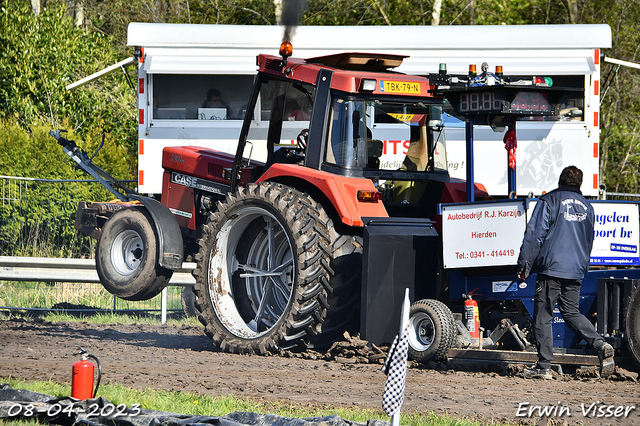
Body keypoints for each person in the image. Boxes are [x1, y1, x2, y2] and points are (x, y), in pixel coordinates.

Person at [517, 165, 614, 379]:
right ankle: (600, 344)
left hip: (552, 268)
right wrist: (582, 266)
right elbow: (589, 240)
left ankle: (543, 367)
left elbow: (534, 234)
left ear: (560, 181)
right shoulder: (588, 207)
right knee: (571, 312)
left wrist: (525, 264)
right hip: (575, 269)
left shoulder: (549, 201)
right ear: (580, 185)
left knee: (543, 315)